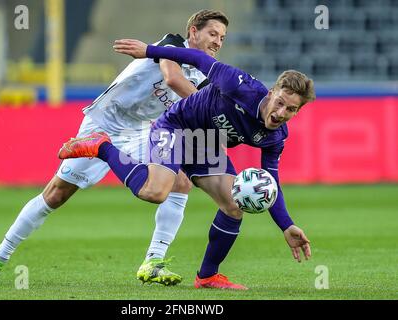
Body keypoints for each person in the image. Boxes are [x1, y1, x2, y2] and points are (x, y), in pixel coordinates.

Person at [0, 10, 229, 286]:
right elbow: (173, 80)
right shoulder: (172, 46)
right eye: (212, 34)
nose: (217, 42)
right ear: (193, 31)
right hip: (104, 123)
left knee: (179, 181)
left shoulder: (205, 73)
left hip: (141, 130)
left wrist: (216, 134)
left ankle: (153, 261)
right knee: (55, 195)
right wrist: (208, 109)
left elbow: (198, 111)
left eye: (222, 38)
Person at [58, 39, 315, 290]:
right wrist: (148, 50)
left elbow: (272, 184)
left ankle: (207, 277)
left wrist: (286, 225)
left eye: (291, 110)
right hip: (176, 126)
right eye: (280, 103)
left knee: (234, 206)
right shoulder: (239, 85)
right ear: (271, 94)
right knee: (155, 192)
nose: (281, 113)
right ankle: (101, 146)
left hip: (205, 144)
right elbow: (198, 59)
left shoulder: (276, 137)